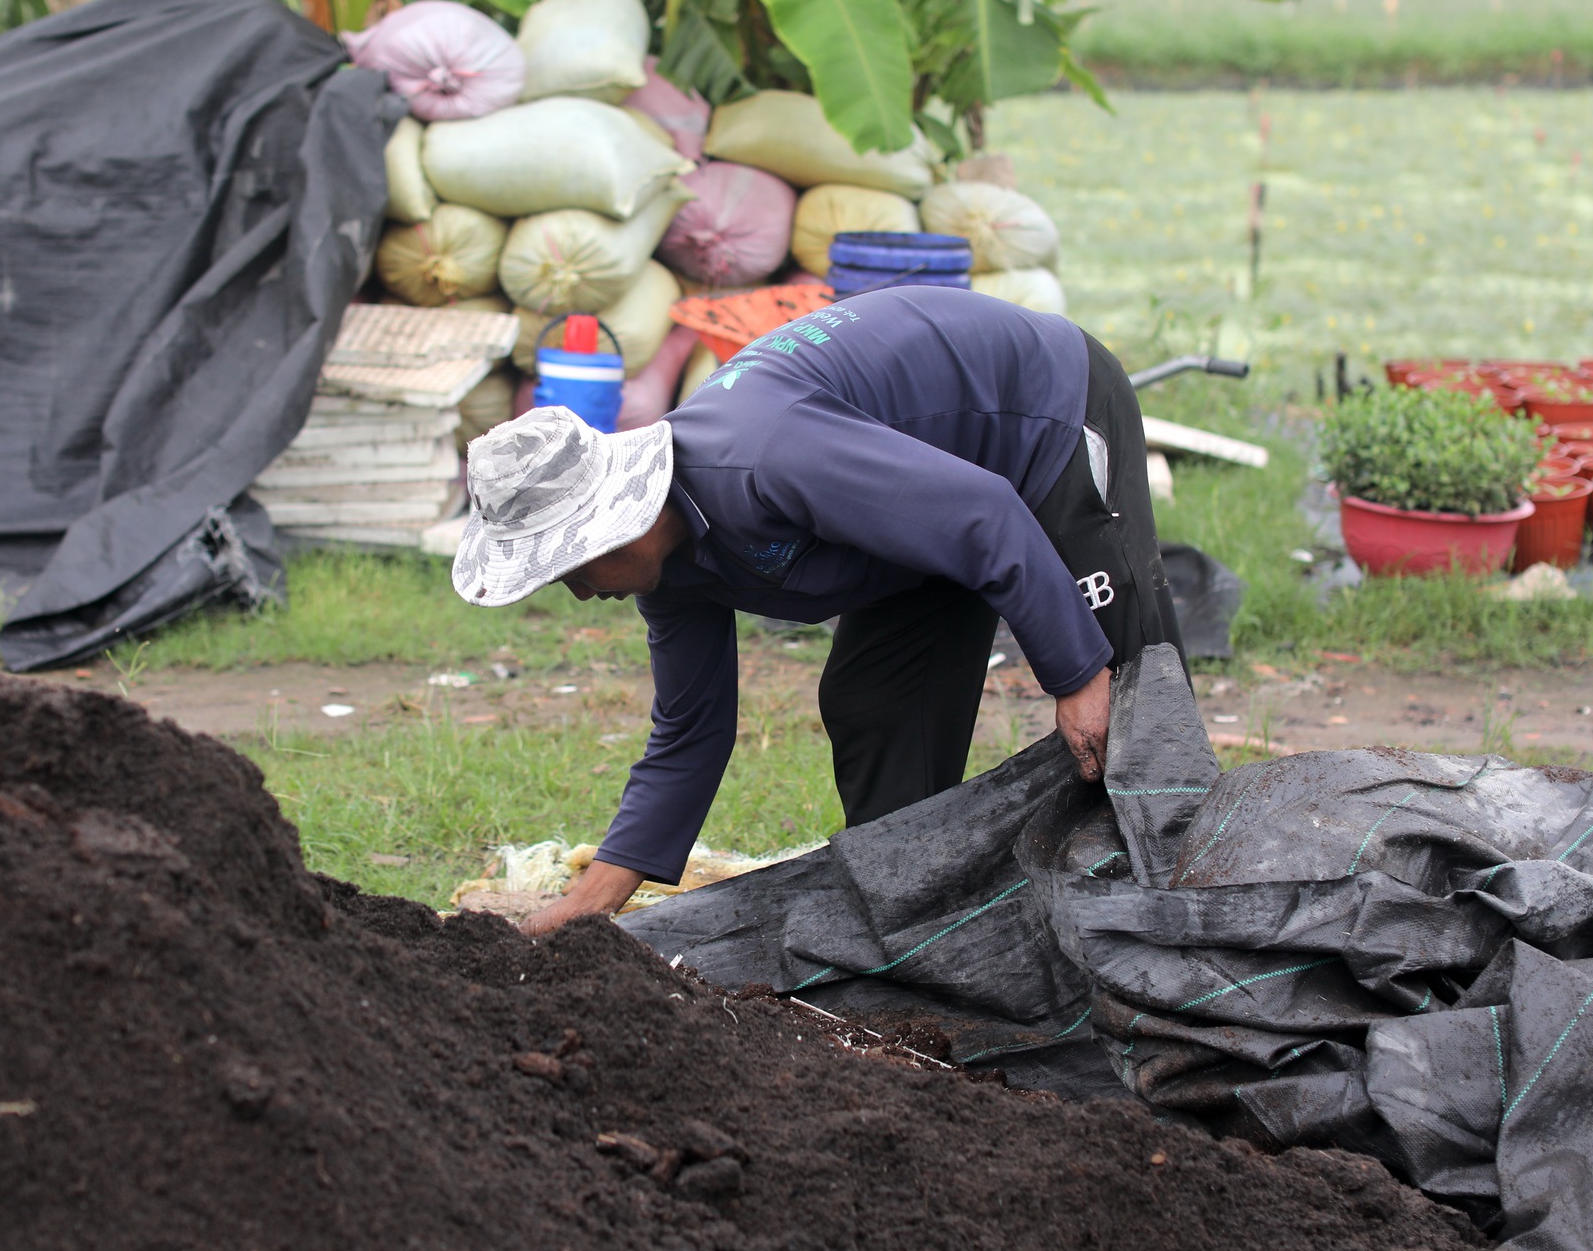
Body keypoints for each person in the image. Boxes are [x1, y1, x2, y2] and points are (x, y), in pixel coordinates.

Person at [451, 286, 1180, 935]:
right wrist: (590, 901)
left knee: (1129, 708)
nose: (580, 590)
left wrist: (1079, 671)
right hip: (927, 507)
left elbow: (983, 512)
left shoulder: (763, 458)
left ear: (620, 518)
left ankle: (1180, 918)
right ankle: (925, 931)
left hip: (1039, 419)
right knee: (873, 704)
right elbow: (692, 730)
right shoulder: (669, 575)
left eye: (575, 564)